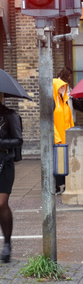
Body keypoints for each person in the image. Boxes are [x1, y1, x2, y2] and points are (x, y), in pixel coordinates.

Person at [0, 97, 22, 263]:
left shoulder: (9, 115)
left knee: (1, 203)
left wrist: (1, 143)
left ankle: (7, 242)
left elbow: (18, 140)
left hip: (4, 163)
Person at [53, 77, 74, 194]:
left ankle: (65, 184)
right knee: (58, 163)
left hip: (66, 137)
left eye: (63, 87)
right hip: (58, 139)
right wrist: (57, 138)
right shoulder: (52, 103)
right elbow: (50, 123)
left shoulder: (64, 101)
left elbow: (70, 120)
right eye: (60, 86)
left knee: (65, 162)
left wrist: (72, 134)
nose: (62, 88)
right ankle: (58, 185)